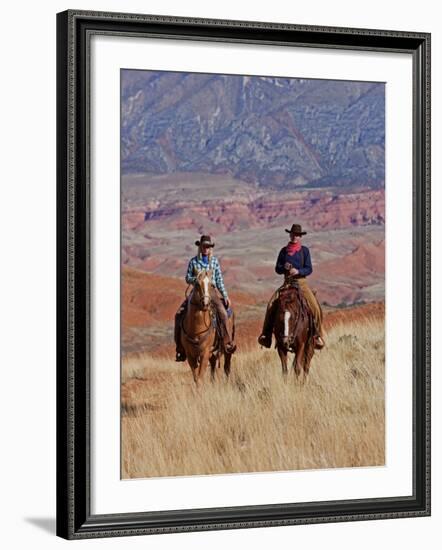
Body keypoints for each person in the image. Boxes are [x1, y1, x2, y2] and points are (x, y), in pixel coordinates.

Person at [257, 223, 325, 350]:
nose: (295, 237)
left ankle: (317, 335)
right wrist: (284, 268)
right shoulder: (283, 251)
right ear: (290, 235)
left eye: (298, 235)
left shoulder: (305, 251)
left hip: (301, 283)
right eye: (293, 234)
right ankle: (266, 335)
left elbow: (309, 269)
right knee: (271, 304)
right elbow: (277, 268)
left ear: (300, 237)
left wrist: (298, 271)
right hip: (287, 283)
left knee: (315, 307)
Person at [174, 235, 236, 361]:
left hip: (211, 291)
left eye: (208, 247)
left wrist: (225, 295)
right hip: (197, 291)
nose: (206, 249)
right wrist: (196, 279)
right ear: (200, 247)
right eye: (204, 246)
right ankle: (180, 348)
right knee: (178, 314)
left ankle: (226, 342)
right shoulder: (193, 261)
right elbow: (187, 278)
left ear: (210, 248)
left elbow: (219, 280)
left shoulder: (214, 262)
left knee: (223, 314)